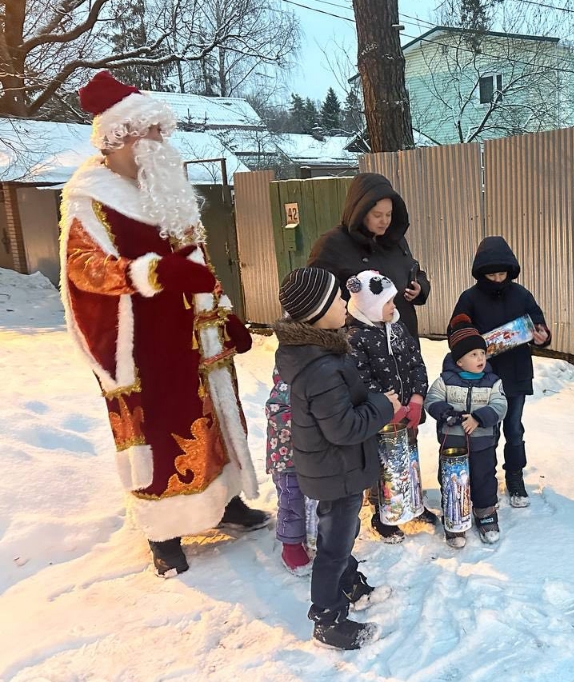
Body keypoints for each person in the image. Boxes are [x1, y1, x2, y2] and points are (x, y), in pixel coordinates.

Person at [58, 70, 266, 578]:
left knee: (216, 414)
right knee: (160, 427)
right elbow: (85, 271)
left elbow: (198, 263)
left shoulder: (164, 189)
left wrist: (227, 314)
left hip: (195, 334)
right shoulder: (90, 199)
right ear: (122, 136)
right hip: (144, 344)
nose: (161, 142)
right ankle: (164, 530)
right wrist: (152, 271)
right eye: (153, 132)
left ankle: (224, 501)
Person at [274, 266, 402, 650]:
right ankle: (328, 619)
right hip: (336, 468)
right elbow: (343, 427)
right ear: (316, 311)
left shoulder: (320, 351)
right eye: (337, 299)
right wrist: (384, 405)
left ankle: (351, 586)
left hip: (334, 466)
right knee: (334, 544)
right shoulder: (320, 366)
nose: (346, 303)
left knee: (341, 534)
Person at [451, 236, 551, 507]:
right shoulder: (469, 298)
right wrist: (472, 343)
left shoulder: (522, 294)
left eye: (502, 273)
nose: (497, 278)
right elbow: (456, 332)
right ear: (481, 272)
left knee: (514, 429)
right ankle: (486, 479)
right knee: (487, 431)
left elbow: (537, 322)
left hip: (516, 375)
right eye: (491, 274)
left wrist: (542, 334)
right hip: (484, 379)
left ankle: (515, 477)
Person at [344, 269, 438, 543]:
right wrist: (388, 405)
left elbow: (415, 362)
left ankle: (412, 502)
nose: (394, 307)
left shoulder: (397, 327)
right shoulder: (355, 338)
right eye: (387, 302)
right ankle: (381, 512)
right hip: (379, 418)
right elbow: (361, 380)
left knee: (408, 456)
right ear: (370, 306)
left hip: (408, 411)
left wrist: (417, 397)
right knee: (381, 462)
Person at [307, 173, 431, 344]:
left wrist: (420, 287)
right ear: (360, 212)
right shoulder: (332, 245)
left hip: (404, 342)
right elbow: (315, 298)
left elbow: (413, 270)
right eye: (377, 215)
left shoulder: (395, 240)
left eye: (389, 214)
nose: (385, 221)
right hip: (361, 348)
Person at [424, 315, 508, 548]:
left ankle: (486, 513)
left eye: (482, 353)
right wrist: (446, 413)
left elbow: (501, 406)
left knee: (483, 478)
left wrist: (480, 418)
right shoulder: (445, 381)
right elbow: (432, 400)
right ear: (459, 361)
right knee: (452, 481)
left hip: (482, 444)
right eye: (473, 355)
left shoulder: (493, 382)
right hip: (452, 445)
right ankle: (454, 519)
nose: (480, 358)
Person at [265, 369, 317, 575]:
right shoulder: (289, 379)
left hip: (311, 457)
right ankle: (291, 547)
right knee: (292, 502)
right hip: (287, 459)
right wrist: (311, 426)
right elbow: (276, 412)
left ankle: (308, 537)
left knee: (310, 502)